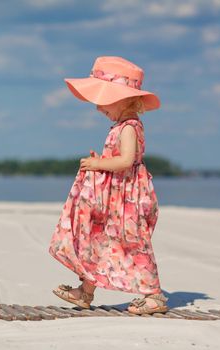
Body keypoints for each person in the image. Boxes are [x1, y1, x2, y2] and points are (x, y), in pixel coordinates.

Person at [48, 56, 169, 315]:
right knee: (101, 239)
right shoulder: (121, 125)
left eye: (104, 103)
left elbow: (126, 161)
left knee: (134, 243)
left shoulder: (129, 127)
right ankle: (85, 291)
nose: (99, 109)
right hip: (116, 199)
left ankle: (154, 295)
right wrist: (100, 162)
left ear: (123, 99)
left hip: (129, 201)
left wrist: (99, 164)